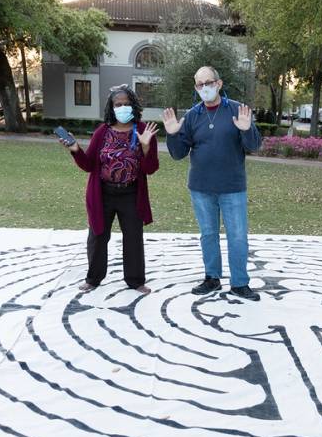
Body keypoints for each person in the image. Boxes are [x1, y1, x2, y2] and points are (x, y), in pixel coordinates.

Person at [162, 66, 262, 301]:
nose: (204, 88)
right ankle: (212, 278)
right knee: (208, 234)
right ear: (196, 88)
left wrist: (247, 131)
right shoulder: (193, 115)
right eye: (199, 84)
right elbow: (178, 154)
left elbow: (254, 145)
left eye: (209, 82)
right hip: (201, 187)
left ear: (219, 83)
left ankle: (239, 283)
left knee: (237, 236)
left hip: (232, 187)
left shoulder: (237, 110)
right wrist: (172, 133)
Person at [59, 85, 159, 294]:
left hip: (131, 193)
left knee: (133, 237)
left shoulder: (143, 131)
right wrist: (75, 150)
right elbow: (88, 165)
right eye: (118, 104)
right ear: (111, 108)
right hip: (103, 193)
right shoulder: (102, 132)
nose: (122, 107)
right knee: (98, 235)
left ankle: (135, 280)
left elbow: (150, 169)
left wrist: (146, 147)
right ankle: (93, 278)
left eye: (126, 104)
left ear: (133, 106)